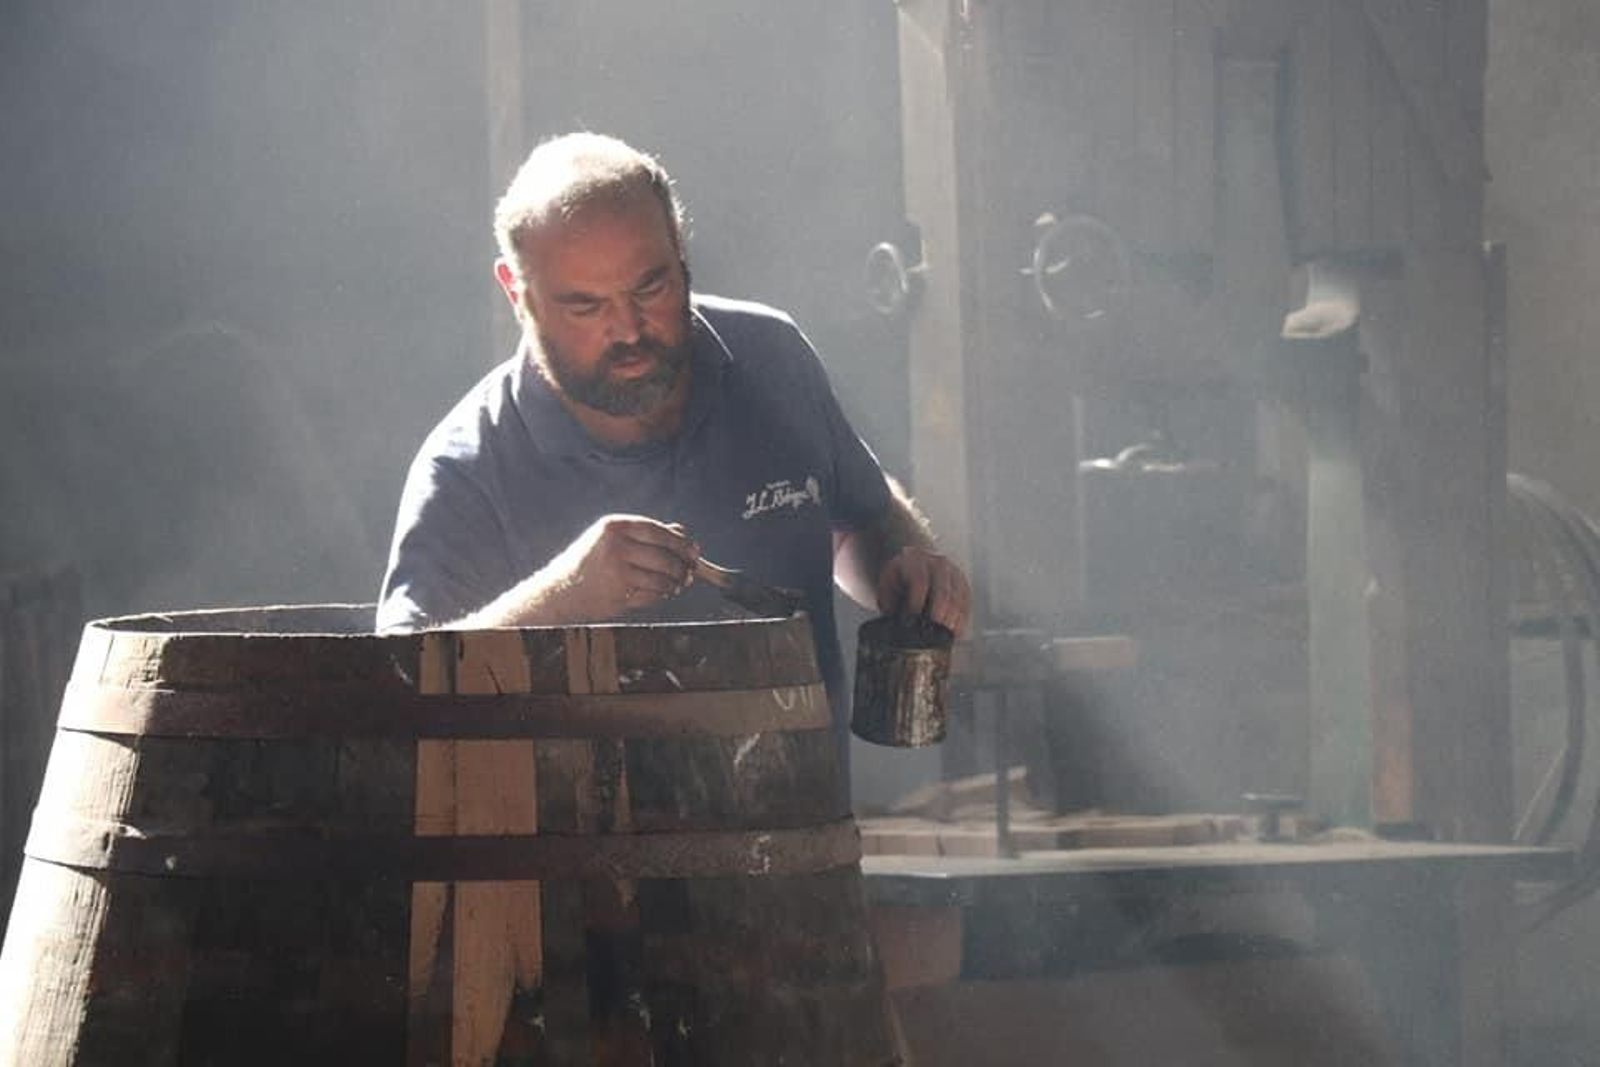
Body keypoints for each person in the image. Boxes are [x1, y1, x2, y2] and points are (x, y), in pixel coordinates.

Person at [376, 132, 969, 748]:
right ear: (516, 292)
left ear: (680, 250)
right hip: (578, 812)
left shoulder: (770, 359)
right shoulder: (469, 464)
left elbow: (856, 523)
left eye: (649, 288)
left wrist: (904, 570)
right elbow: (398, 696)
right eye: (585, 307)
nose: (628, 329)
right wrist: (563, 599)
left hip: (802, 804)